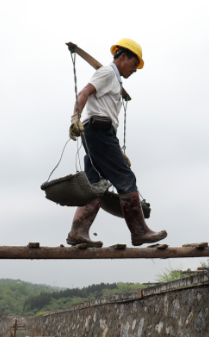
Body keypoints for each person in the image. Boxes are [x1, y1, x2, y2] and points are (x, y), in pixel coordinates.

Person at [66, 39, 166, 247]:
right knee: (125, 178)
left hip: (99, 134)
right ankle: (139, 232)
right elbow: (84, 93)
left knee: (97, 186)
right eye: (134, 64)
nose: (135, 70)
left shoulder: (115, 80)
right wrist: (75, 117)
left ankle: (78, 231)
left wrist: (118, 149)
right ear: (122, 57)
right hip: (98, 132)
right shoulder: (108, 73)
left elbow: (105, 113)